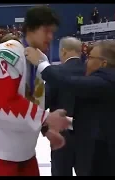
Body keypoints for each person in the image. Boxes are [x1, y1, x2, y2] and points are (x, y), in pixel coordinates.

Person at [0, 6, 69, 176]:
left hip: (23, 148)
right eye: (46, 31)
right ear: (30, 28)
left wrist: (44, 127)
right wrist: (46, 118)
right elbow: (4, 103)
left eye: (53, 32)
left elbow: (33, 99)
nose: (51, 37)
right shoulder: (7, 53)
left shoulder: (40, 58)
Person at [26, 41, 115, 176]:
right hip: (105, 163)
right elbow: (98, 121)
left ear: (104, 63)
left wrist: (42, 63)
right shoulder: (107, 84)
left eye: (90, 57)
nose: (86, 61)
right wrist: (68, 123)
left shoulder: (110, 81)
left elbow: (68, 83)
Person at [46, 37, 85, 176]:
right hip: (88, 134)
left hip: (61, 134)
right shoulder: (90, 71)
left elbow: (45, 101)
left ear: (63, 51)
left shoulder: (55, 72)